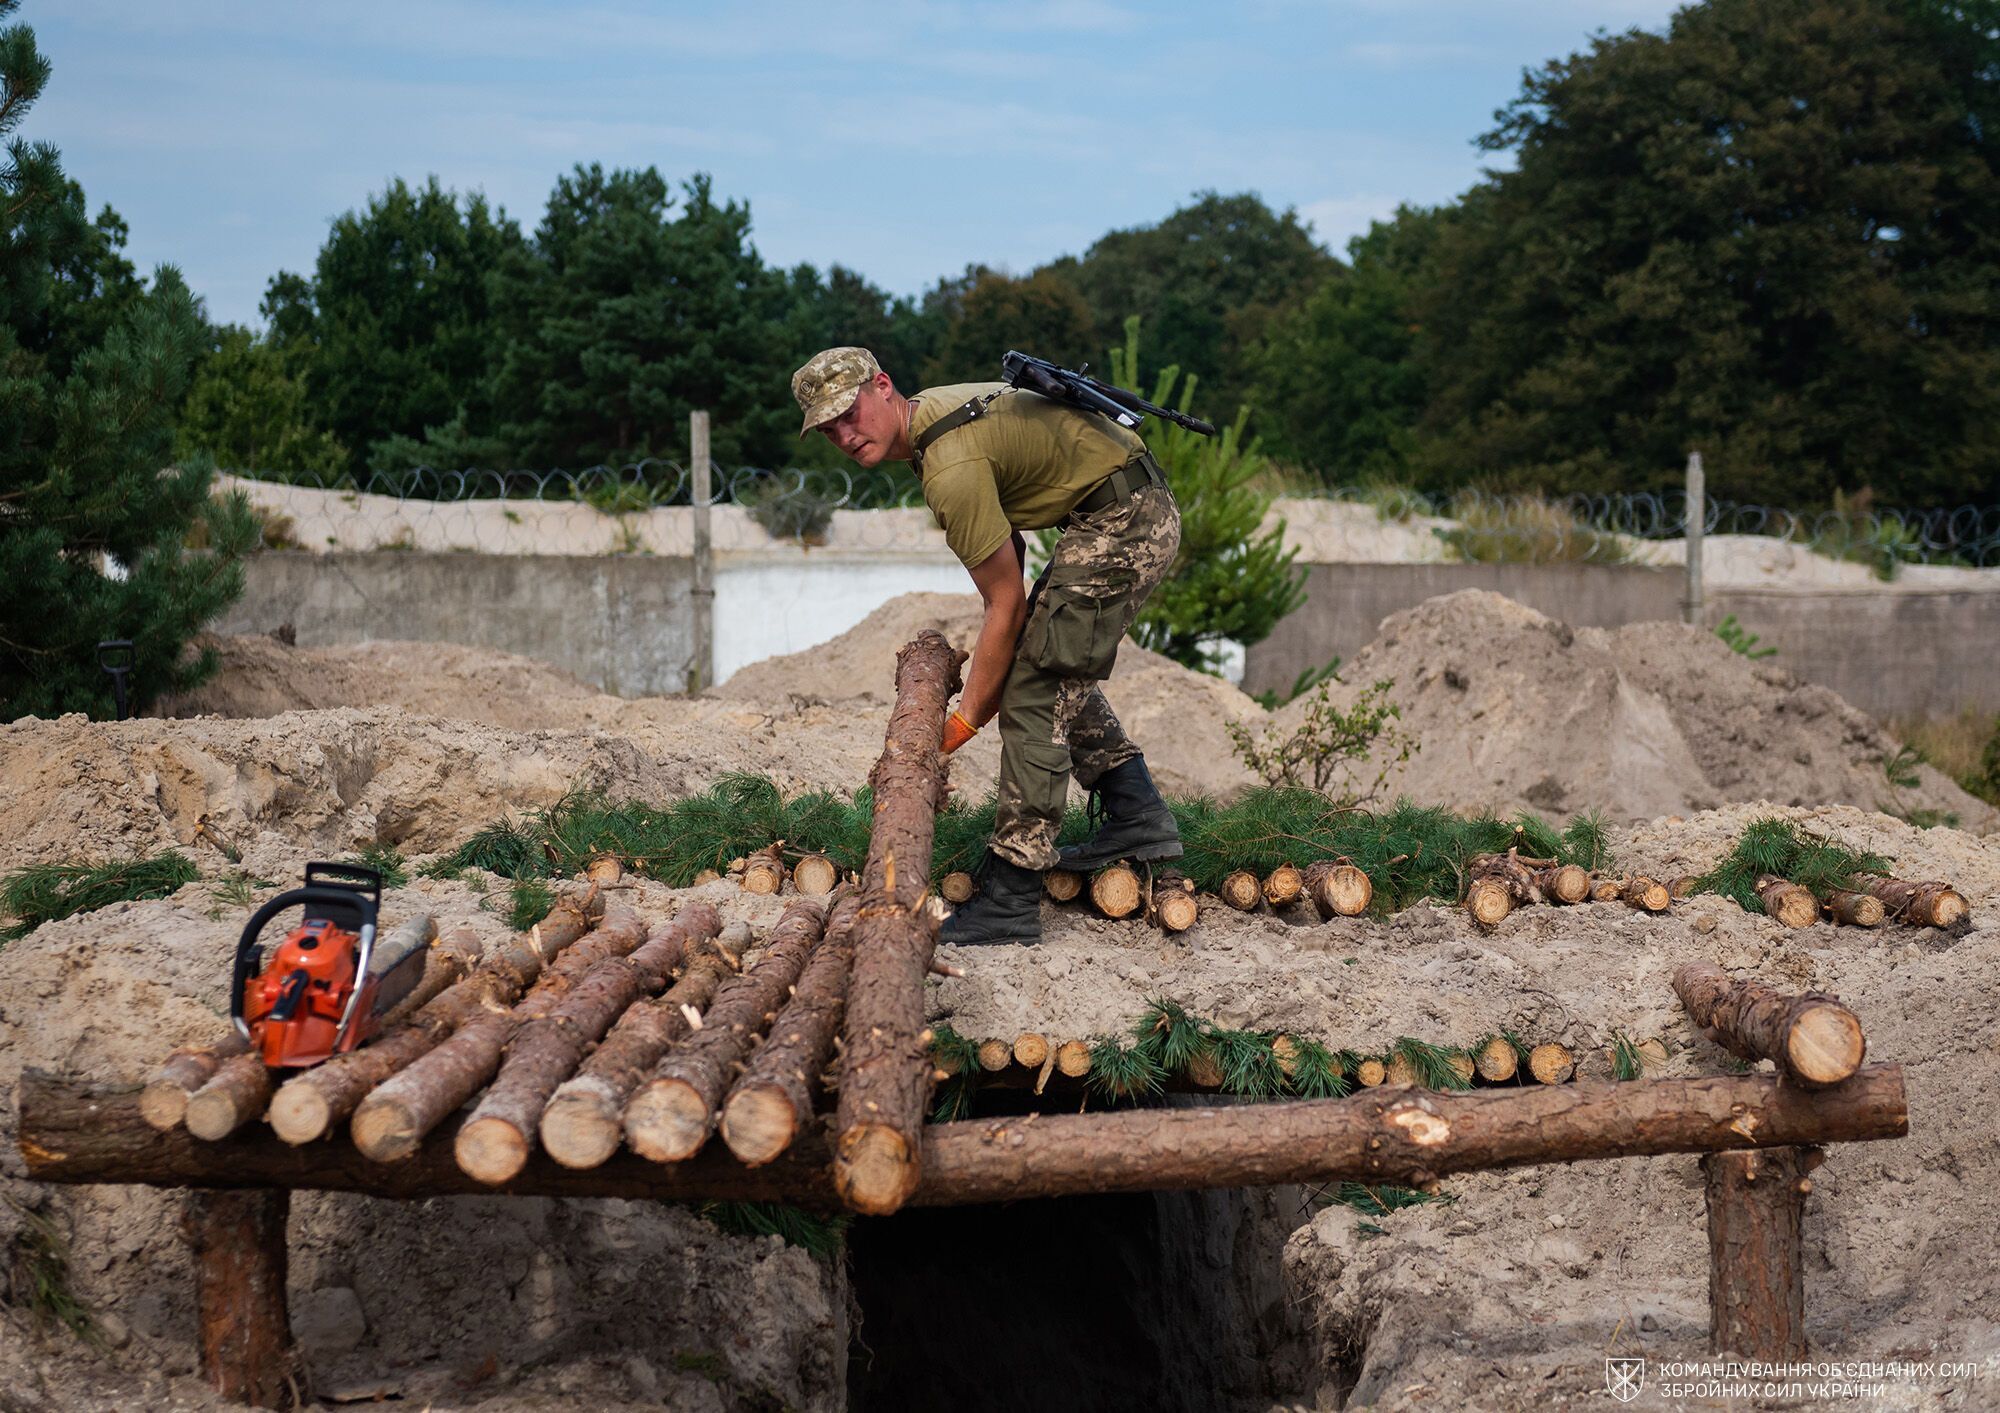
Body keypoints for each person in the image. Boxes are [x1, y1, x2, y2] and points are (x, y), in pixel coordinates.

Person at [791, 346, 1183, 945]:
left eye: (850, 412)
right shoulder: (933, 423)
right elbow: (1014, 571)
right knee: (1045, 668)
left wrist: (966, 721)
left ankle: (1012, 894)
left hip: (1124, 520)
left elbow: (1004, 604)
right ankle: (1136, 815)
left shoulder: (947, 467)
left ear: (883, 386)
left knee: (1032, 695)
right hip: (1113, 509)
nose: (844, 435)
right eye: (827, 428)